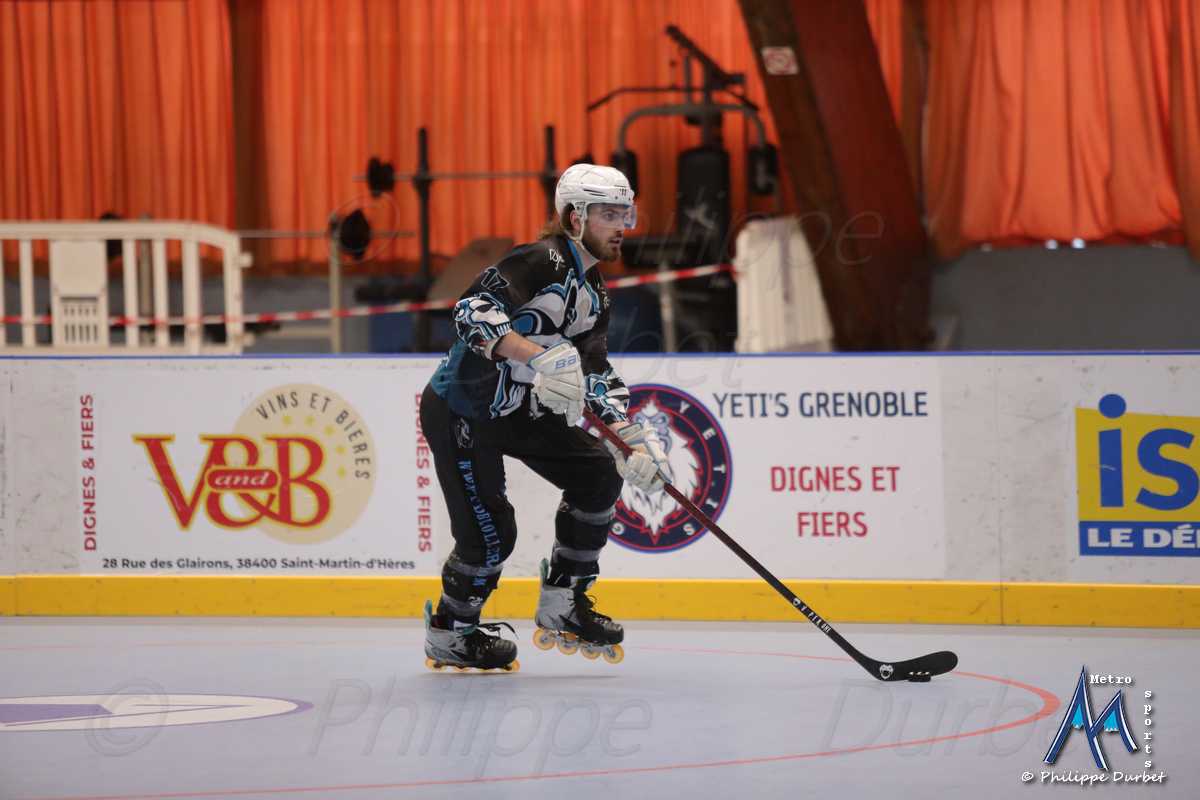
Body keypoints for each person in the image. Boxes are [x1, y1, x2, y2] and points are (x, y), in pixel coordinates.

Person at [420, 164, 669, 672]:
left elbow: (594, 370)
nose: (621, 226)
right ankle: (450, 630)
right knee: (491, 536)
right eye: (608, 214)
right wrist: (537, 356)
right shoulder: (539, 260)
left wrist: (630, 439)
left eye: (625, 214)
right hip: (463, 410)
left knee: (599, 473)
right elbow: (471, 310)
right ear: (574, 217)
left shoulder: (595, 294)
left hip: (518, 410)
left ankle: (562, 602)